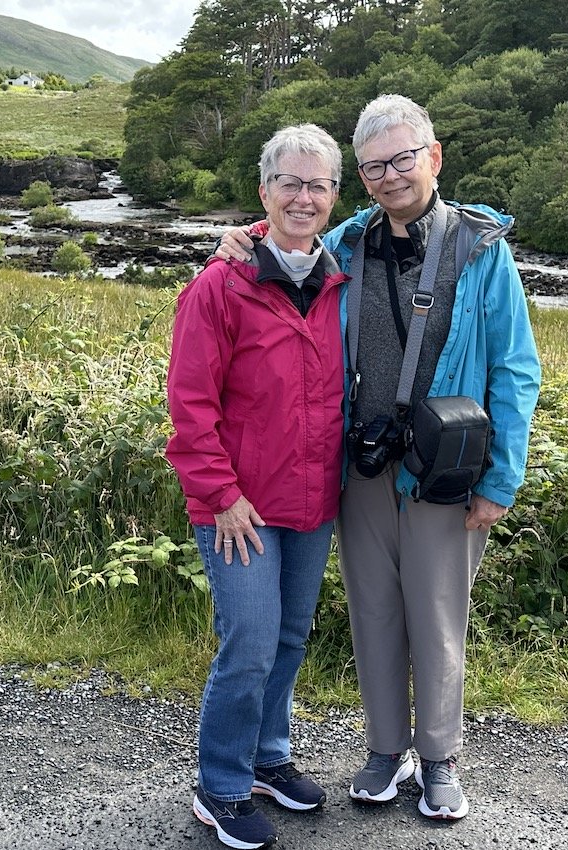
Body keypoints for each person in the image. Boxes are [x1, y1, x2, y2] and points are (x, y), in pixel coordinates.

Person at [215, 94, 542, 821]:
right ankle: (384, 752)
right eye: (372, 166)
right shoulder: (352, 242)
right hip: (361, 468)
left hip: (449, 470)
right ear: (360, 178)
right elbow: (286, 242)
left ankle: (440, 759)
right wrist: (237, 239)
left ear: (433, 156)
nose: (390, 175)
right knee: (372, 615)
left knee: (437, 616)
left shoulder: (483, 250)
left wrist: (501, 479)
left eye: (401, 158)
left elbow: (517, 370)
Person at [165, 123, 349, 850]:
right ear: (264, 191)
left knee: (290, 636)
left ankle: (268, 758)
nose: (304, 197)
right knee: (246, 643)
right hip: (237, 507)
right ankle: (222, 784)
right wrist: (220, 495)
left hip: (312, 497)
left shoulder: (341, 275)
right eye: (290, 183)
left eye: (319, 184)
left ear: (337, 195)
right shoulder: (219, 286)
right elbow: (189, 405)